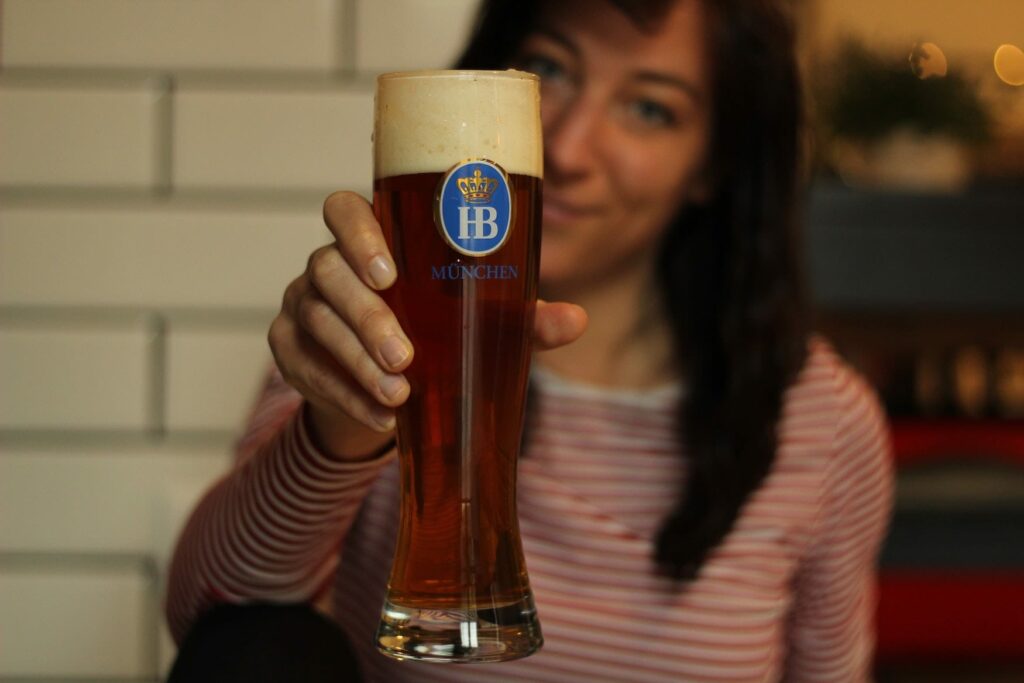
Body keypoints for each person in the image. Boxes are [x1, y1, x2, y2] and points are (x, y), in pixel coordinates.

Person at [165, 0, 893, 680]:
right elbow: (212, 617)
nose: (569, 145)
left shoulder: (824, 422)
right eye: (547, 70)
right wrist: (343, 425)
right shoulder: (367, 334)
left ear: (712, 165)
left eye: (649, 108)